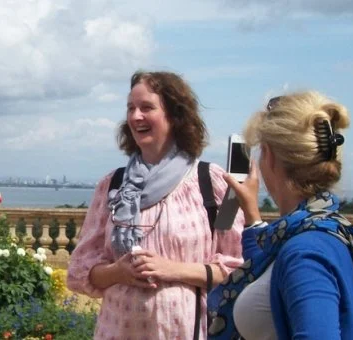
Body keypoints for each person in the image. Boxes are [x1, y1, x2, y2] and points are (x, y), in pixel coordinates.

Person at [208, 91, 353, 339]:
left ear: (268, 155)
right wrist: (252, 215)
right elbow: (267, 275)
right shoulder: (325, 228)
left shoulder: (304, 252)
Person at [67, 70, 244, 339]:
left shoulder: (212, 183)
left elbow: (236, 267)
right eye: (131, 108)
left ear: (174, 115)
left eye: (147, 107)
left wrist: (172, 269)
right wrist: (118, 272)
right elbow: (80, 271)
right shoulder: (112, 186)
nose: (136, 116)